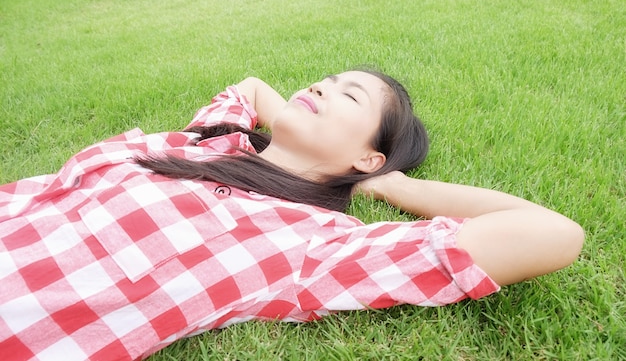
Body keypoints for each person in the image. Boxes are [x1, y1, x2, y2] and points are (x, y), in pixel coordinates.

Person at [0, 69, 584, 361]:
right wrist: (290, 145)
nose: (321, 89)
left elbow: (552, 235)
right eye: (324, 82)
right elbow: (251, 86)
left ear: (368, 155)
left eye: (347, 97)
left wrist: (395, 186)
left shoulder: (310, 245)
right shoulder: (211, 143)